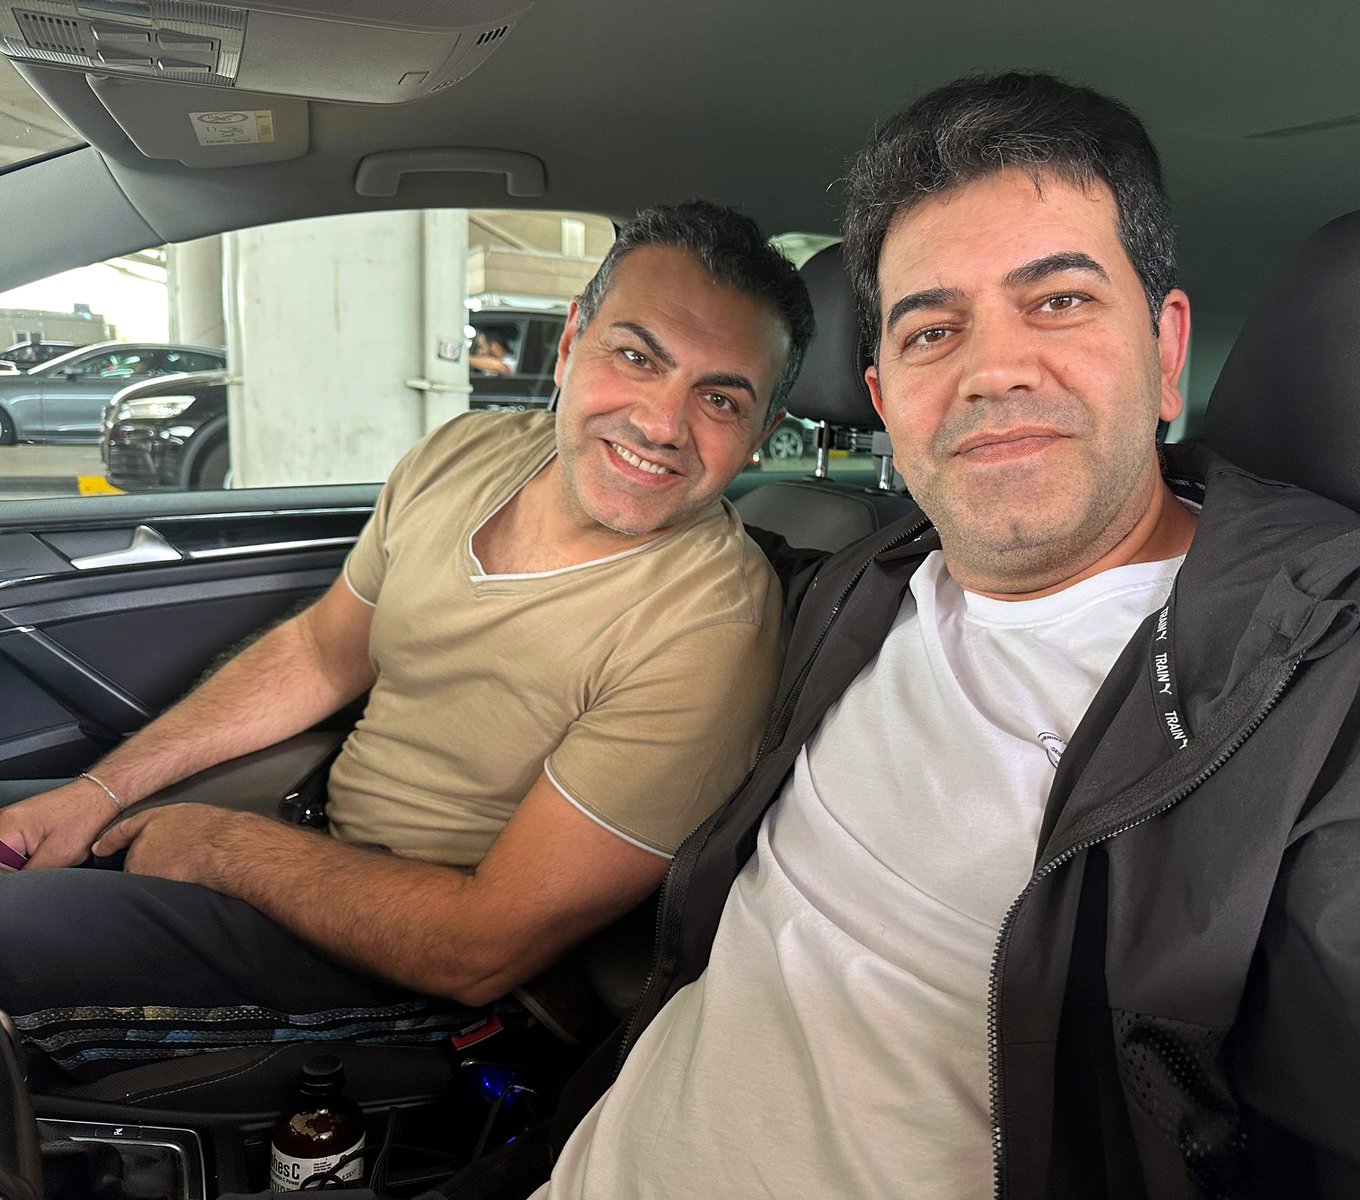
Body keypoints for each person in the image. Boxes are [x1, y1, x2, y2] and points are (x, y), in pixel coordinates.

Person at [536, 75, 1360, 1198]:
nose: (992, 369)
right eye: (933, 329)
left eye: (1057, 302)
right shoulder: (861, 581)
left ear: (1165, 350)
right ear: (884, 399)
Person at [0, 200, 814, 1082]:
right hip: (309, 838)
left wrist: (220, 849)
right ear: (572, 340)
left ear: (762, 437)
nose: (661, 423)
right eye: (637, 356)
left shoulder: (710, 627)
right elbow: (321, 653)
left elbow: (483, 948)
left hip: (428, 984)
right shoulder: (468, 453)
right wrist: (97, 791)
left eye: (720, 398)